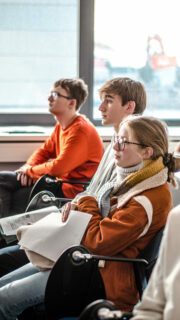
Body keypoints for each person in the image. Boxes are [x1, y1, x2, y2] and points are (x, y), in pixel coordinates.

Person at [0, 115, 177, 319]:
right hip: (86, 260)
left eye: (123, 142)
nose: (115, 147)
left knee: (4, 300)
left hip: (103, 276)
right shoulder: (132, 178)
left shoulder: (147, 198)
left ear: (147, 152)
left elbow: (98, 242)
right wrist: (80, 203)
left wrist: (85, 203)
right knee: (3, 287)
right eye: (116, 139)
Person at [0, 77, 147, 276]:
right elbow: (44, 152)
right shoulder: (114, 145)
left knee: (8, 253)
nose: (100, 108)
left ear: (129, 106)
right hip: (76, 214)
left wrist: (57, 221)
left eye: (109, 101)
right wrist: (27, 168)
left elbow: (97, 209)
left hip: (77, 218)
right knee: (10, 189)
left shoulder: (126, 157)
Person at [0, 78, 103, 218]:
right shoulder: (62, 126)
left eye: (55, 95)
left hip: (69, 191)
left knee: (10, 187)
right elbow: (43, 152)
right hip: (55, 184)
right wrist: (27, 167)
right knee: (4, 179)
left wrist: (30, 171)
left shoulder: (81, 131)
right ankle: (5, 232)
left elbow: (58, 168)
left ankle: (5, 233)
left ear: (71, 103)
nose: (49, 98)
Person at [132, 204, 180, 320]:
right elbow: (152, 308)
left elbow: (100, 244)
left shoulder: (143, 201)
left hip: (119, 277)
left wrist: (88, 203)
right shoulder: (177, 218)